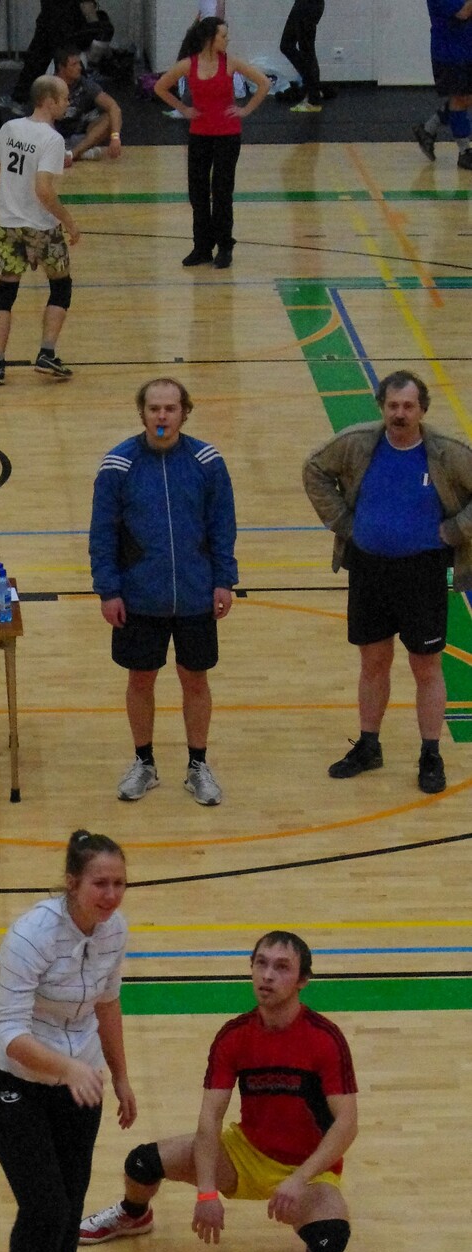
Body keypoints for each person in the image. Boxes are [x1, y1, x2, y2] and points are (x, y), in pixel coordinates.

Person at [80, 930, 357, 1252]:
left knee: (329, 1241)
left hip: (310, 1169)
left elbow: (347, 1124)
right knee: (141, 1163)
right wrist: (207, 1193)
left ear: (303, 980)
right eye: (261, 964)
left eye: (282, 967)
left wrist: (299, 1179)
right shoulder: (234, 1036)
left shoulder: (325, 1039)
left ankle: (312, 1220)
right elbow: (210, 1117)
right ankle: (134, 1215)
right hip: (245, 1154)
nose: (268, 975)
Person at [0, 830, 135, 1252]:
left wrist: (120, 1077)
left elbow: (108, 1003)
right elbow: (9, 1032)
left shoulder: (115, 931)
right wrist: (67, 1068)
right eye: (100, 883)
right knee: (43, 1205)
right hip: (16, 1084)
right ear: (72, 883)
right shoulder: (30, 936)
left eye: (119, 883)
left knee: (69, 1206)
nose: (111, 895)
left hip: (81, 1084)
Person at [303, 369, 472, 797]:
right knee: (373, 662)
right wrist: (344, 523)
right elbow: (314, 469)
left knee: (426, 666)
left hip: (423, 574)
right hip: (369, 571)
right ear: (382, 407)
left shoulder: (448, 452)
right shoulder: (359, 443)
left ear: (422, 409)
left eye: (408, 406)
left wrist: (455, 531)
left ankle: (430, 753)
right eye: (393, 405)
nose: (400, 414)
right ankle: (369, 746)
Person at [89, 376, 237, 805]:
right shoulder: (118, 465)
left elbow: (222, 525)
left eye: (170, 408)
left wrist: (223, 579)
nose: (162, 416)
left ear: (184, 412)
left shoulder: (208, 462)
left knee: (195, 679)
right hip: (139, 597)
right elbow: (103, 533)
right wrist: (108, 590)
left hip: (195, 594)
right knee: (141, 679)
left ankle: (198, 766)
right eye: (154, 408)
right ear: (142, 413)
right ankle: (144, 763)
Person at [0, 74, 81, 386]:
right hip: (41, 226)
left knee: (5, 292)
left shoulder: (9, 128)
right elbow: (44, 190)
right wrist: (69, 221)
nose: (68, 103)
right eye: (64, 98)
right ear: (49, 101)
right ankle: (46, 353)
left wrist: (14, 197)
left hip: (8, 224)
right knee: (61, 286)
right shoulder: (52, 139)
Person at [154, 18, 269, 271]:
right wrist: (184, 108)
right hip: (199, 134)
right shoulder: (189, 64)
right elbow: (160, 87)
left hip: (228, 135)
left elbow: (264, 83)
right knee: (198, 192)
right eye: (223, 36)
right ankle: (202, 247)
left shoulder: (231, 63)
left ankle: (225, 247)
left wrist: (245, 110)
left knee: (222, 192)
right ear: (210, 38)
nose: (227, 40)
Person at [14, 0, 114, 104]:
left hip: (51, 29)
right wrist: (98, 32)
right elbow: (88, 8)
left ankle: (20, 96)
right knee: (104, 26)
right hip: (67, 32)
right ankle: (91, 70)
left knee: (38, 53)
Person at [418, 0, 472, 172]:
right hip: (449, 55)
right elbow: (463, 13)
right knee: (460, 98)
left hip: (466, 50)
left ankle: (428, 129)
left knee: (464, 98)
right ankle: (464, 150)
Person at [54, 47, 123, 160]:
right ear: (61, 67)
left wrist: (115, 137)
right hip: (56, 137)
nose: (79, 67)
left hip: (81, 138)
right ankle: (75, 153)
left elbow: (114, 107)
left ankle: (73, 154)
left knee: (108, 117)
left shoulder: (85, 84)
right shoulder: (50, 87)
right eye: (74, 64)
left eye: (79, 63)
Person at [280, 0, 334, 111]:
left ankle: (313, 101)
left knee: (307, 51)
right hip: (303, 4)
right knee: (286, 45)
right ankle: (314, 87)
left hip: (309, 6)